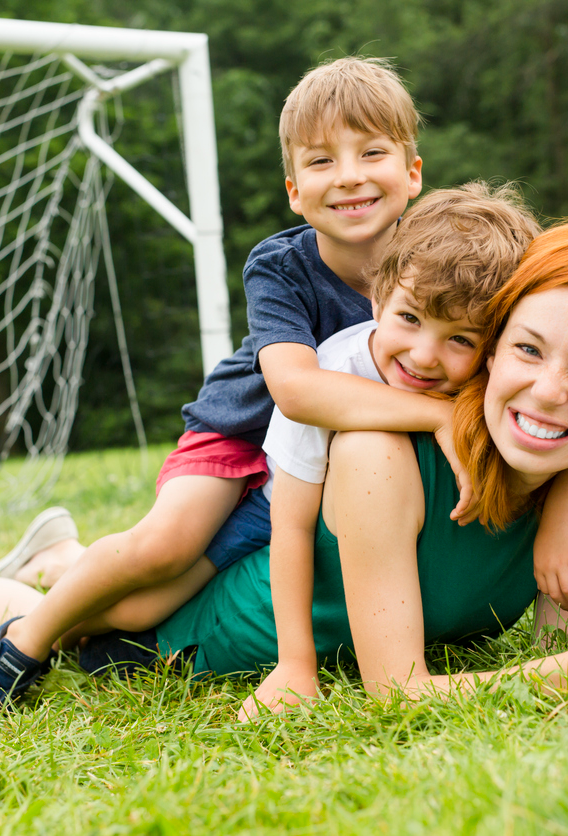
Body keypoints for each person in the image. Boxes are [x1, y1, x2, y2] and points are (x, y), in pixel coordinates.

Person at [0, 218, 568, 712]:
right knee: (84, 616)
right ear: (501, 347)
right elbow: (400, 693)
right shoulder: (372, 445)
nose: (547, 392)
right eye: (530, 350)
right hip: (186, 639)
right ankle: (32, 592)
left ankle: (60, 556)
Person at [0, 55, 477, 700]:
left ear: (412, 171)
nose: (349, 176)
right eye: (321, 161)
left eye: (372, 153)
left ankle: (58, 561)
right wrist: (440, 413)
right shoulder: (279, 266)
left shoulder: (440, 264)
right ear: (294, 191)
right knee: (164, 548)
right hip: (241, 438)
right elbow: (296, 392)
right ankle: (24, 642)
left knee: (139, 611)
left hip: (312, 471)